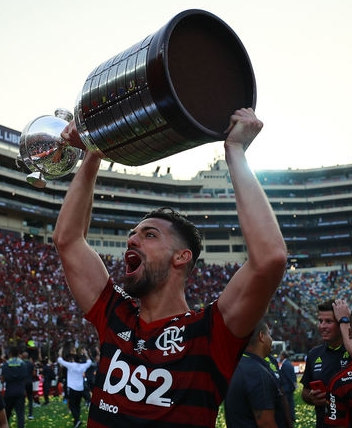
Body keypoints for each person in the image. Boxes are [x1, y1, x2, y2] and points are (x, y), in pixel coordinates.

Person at [52, 107, 288, 427]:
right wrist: (92, 153)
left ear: (181, 257)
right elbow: (67, 240)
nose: (132, 240)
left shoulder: (210, 333)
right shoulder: (116, 317)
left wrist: (235, 151)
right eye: (133, 234)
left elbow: (270, 257)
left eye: (149, 235)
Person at [225, 320, 292, 427]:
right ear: (261, 336)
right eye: (269, 334)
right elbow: (265, 423)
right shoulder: (257, 372)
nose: (271, 339)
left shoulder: (236, 365)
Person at [300, 299, 352, 428]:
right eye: (320, 321)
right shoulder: (314, 354)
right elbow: (305, 391)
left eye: (329, 321)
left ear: (341, 324)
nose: (322, 326)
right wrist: (312, 398)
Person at [57, 347, 95, 428]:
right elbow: (89, 362)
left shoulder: (71, 365)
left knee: (72, 405)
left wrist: (60, 352)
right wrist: (86, 354)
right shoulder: (82, 366)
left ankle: (77, 420)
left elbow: (60, 360)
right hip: (80, 388)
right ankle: (76, 421)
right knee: (77, 405)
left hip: (72, 388)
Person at [0, 346, 29, 428]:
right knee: (20, 415)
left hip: (9, 392)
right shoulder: (23, 364)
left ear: (10, 354)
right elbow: (25, 378)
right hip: (20, 392)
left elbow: (2, 380)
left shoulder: (5, 364)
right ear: (18, 354)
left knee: (6, 415)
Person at [279, 351, 297, 424]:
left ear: (283, 356)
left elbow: (288, 377)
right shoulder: (288, 363)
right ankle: (291, 416)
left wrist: (293, 385)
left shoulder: (285, 365)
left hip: (286, 388)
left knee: (287, 404)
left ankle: (290, 417)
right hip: (289, 388)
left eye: (280, 355)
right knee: (290, 403)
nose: (279, 357)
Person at [20, 351, 36, 420]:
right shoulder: (31, 363)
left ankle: (22, 414)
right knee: (30, 398)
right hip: (29, 382)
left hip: (22, 383)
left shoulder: (20, 363)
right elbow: (34, 373)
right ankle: (30, 414)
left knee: (22, 398)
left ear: (22, 356)